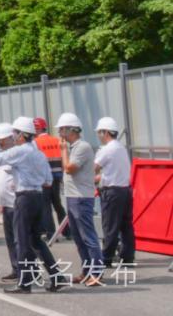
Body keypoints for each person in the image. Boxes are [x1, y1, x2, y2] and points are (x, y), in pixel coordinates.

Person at [0, 116, 66, 294]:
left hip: (24, 198)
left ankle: (24, 282)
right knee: (36, 240)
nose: (13, 136)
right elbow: (48, 182)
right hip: (37, 197)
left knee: (21, 241)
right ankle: (57, 276)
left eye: (15, 133)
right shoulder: (39, 154)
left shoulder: (20, 151)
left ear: (22, 135)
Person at [56, 112, 103, 286]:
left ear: (71, 129)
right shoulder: (74, 148)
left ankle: (96, 272)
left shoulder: (82, 147)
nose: (60, 133)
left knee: (88, 236)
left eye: (62, 129)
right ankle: (87, 270)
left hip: (81, 198)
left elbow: (69, 168)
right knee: (78, 237)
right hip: (73, 196)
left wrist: (62, 151)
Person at [94, 117, 135, 269]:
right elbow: (114, 171)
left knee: (110, 226)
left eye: (99, 132)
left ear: (105, 132)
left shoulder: (106, 150)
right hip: (125, 190)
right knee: (126, 226)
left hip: (111, 192)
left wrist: (93, 178)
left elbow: (94, 168)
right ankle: (127, 257)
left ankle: (106, 258)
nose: (98, 135)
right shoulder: (121, 148)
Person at [0, 122, 20, 283]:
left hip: (16, 204)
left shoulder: (16, 155)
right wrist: (0, 203)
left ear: (11, 137)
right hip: (6, 204)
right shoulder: (4, 156)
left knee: (20, 239)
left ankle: (27, 270)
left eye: (3, 139)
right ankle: (16, 268)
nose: (0, 142)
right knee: (10, 239)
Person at [34, 117, 68, 239]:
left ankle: (51, 233)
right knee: (58, 204)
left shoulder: (36, 143)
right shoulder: (57, 140)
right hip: (58, 176)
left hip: (44, 179)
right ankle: (68, 231)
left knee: (46, 206)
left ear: (36, 129)